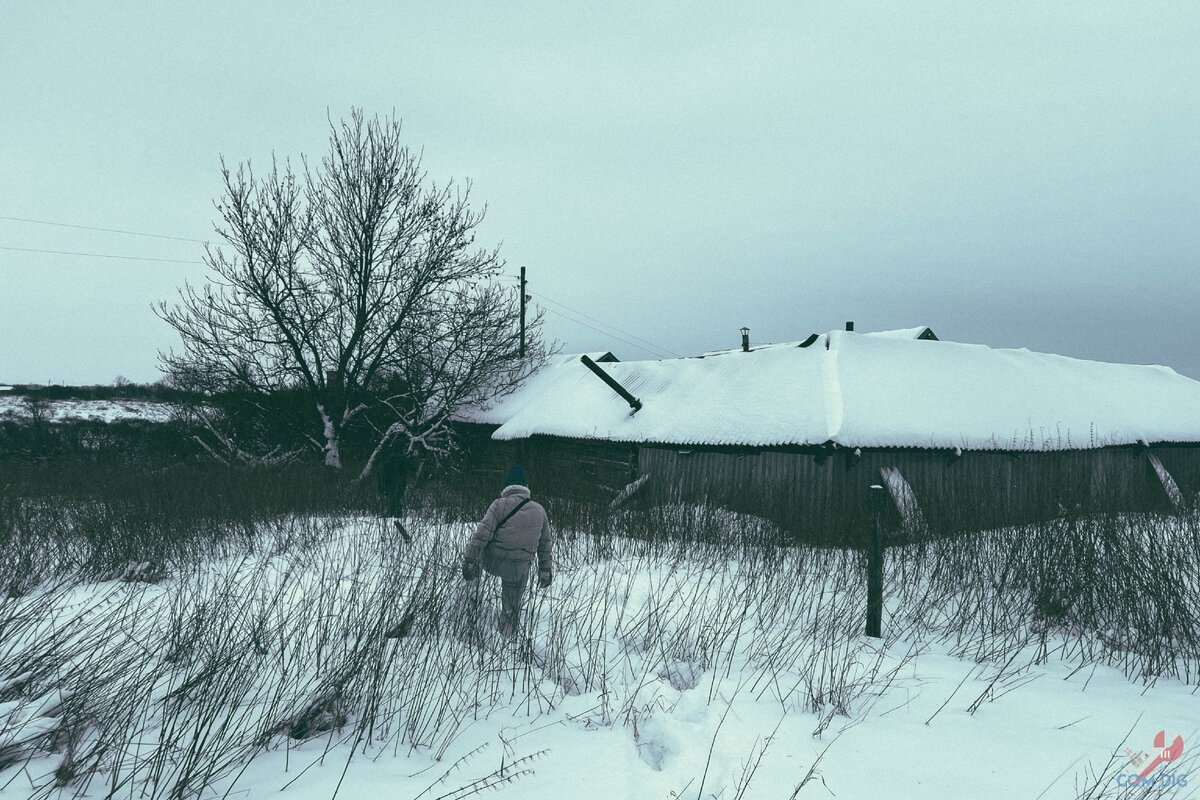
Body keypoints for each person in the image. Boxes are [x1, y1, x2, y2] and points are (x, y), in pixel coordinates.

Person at [462, 465, 553, 637]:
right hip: (518, 567)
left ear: (507, 486)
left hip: (492, 561)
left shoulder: (499, 505)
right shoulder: (539, 510)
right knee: (513, 603)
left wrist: (469, 560)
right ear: (525, 487)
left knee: (476, 566)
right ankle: (507, 632)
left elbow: (482, 534)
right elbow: (545, 544)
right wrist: (545, 570)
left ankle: (471, 604)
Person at [377, 442, 422, 527]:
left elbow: (381, 471)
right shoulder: (401, 458)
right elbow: (413, 467)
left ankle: (392, 516)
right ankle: (395, 517)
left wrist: (381, 484)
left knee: (393, 498)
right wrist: (415, 457)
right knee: (396, 499)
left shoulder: (388, 458)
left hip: (389, 482)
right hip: (398, 482)